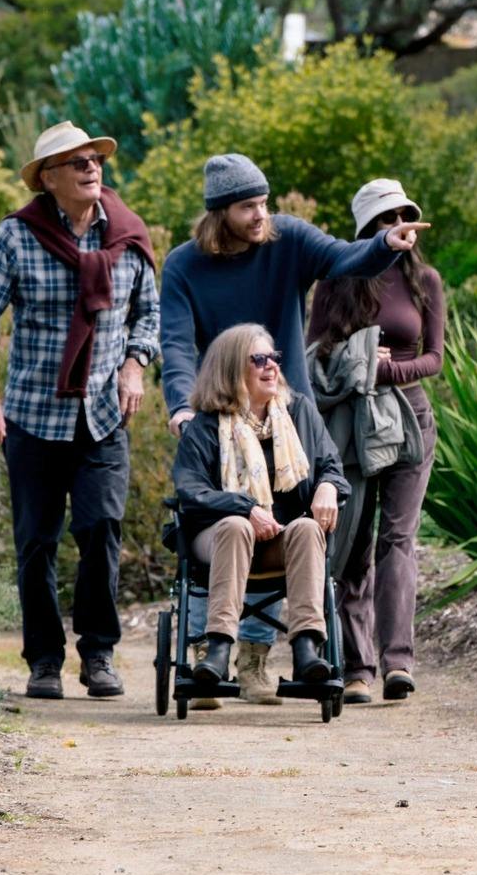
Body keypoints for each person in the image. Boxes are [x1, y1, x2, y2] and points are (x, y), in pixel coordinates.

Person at [160, 153, 426, 704]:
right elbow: (177, 345)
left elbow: (343, 258)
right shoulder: (185, 265)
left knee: (288, 519)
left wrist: (384, 245)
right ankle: (204, 653)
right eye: (247, 206)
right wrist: (184, 408)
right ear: (219, 214)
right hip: (218, 412)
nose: (261, 214)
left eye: (263, 202)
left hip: (284, 415)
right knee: (227, 522)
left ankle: (259, 659)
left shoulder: (288, 241)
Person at [0, 121, 159, 701]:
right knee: (37, 542)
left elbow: (149, 313)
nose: (91, 168)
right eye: (76, 163)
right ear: (48, 179)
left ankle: (98, 653)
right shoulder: (17, 237)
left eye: (95, 158)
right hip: (33, 416)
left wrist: (134, 366)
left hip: (101, 414)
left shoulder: (127, 234)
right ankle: (44, 660)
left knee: (100, 528)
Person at [307, 179, 445, 704]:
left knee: (399, 539)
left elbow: (434, 358)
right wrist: (360, 358)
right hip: (351, 420)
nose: (399, 226)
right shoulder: (337, 281)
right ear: (367, 229)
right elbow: (312, 351)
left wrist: (386, 371)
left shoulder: (424, 281)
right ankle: (357, 666)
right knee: (354, 540)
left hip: (411, 416)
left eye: (405, 215)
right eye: (387, 219)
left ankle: (397, 663)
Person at [172, 324, 347, 689]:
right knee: (236, 526)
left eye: (274, 358)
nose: (272, 367)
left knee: (307, 527)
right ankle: (218, 649)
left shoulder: (299, 414)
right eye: (259, 359)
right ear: (232, 368)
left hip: (279, 541)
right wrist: (245, 507)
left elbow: (331, 465)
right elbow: (190, 490)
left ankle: (306, 649)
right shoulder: (206, 425)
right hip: (217, 541)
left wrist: (328, 487)